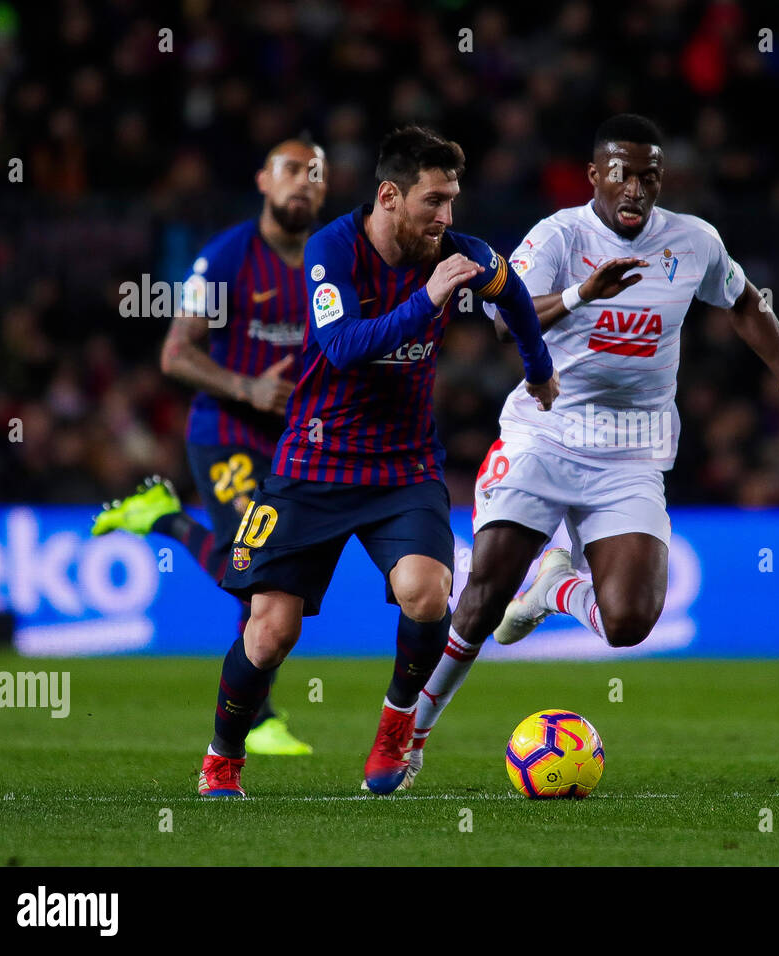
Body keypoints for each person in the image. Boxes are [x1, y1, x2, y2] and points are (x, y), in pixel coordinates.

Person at [403, 114, 779, 788]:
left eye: (649, 175)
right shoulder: (559, 236)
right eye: (621, 173)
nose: (635, 187)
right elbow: (497, 317)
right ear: (594, 176)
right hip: (545, 431)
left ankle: (558, 588)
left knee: (629, 622)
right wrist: (582, 292)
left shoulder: (693, 242)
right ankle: (413, 735)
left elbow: (747, 303)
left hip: (633, 452)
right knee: (484, 594)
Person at [195, 125, 558, 797]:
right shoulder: (331, 248)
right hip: (312, 463)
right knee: (270, 632)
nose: (446, 218)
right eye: (434, 201)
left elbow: (512, 295)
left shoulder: (460, 253)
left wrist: (539, 370)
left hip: (404, 468)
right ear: (390, 195)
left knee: (428, 593)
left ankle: (396, 726)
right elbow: (340, 347)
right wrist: (428, 300)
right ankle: (222, 757)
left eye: (452, 201)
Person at [92, 138, 328, 755]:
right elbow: (175, 352)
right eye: (290, 170)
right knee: (259, 571)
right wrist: (245, 386)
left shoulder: (333, 262)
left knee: (265, 580)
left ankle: (162, 516)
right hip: (227, 434)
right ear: (262, 180)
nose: (302, 182)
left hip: (296, 443)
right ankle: (263, 717)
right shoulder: (226, 258)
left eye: (315, 174)